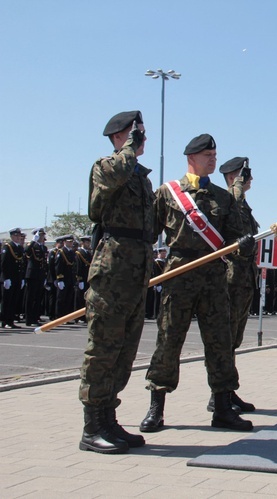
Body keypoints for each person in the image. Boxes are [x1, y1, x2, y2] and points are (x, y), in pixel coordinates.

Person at [140, 134, 255, 433]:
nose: (213, 159)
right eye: (207, 155)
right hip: (179, 273)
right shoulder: (168, 194)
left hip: (214, 275)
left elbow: (233, 236)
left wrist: (242, 244)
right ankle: (157, 407)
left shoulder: (223, 197)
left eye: (214, 154)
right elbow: (149, 234)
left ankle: (222, 407)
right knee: (169, 339)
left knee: (219, 341)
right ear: (191, 158)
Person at [78, 110, 156, 454]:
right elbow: (111, 183)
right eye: (133, 132)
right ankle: (92, 426)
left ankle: (109, 419)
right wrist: (128, 149)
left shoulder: (142, 178)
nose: (140, 137)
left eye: (141, 131)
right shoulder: (106, 166)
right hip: (111, 270)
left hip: (137, 271)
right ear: (117, 137)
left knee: (125, 350)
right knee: (103, 349)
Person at [205, 156, 259, 413]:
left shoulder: (243, 204)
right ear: (232, 177)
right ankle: (219, 395)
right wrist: (236, 187)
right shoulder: (228, 200)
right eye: (244, 174)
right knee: (224, 339)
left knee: (233, 340)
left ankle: (227, 391)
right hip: (230, 278)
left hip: (244, 278)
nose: (249, 178)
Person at [2, 228, 27, 329]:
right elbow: (4, 264)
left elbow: (21, 264)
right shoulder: (7, 247)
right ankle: (4, 321)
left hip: (17, 278)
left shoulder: (19, 248)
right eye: (16, 236)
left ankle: (11, 321)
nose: (18, 238)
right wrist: (5, 278)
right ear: (12, 236)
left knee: (14, 301)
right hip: (9, 278)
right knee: (7, 301)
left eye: (19, 236)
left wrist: (21, 278)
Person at [24, 228, 48, 326]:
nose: (42, 237)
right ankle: (29, 319)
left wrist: (45, 275)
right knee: (30, 298)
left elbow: (43, 262)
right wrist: (33, 241)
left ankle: (35, 317)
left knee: (37, 298)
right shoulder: (32, 245)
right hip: (32, 275)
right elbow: (26, 251)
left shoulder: (43, 247)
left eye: (43, 236)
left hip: (40, 275)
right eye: (40, 235)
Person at [54, 235, 77, 319]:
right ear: (64, 242)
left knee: (69, 298)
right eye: (69, 241)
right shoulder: (61, 252)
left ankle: (67, 317)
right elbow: (58, 266)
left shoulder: (72, 252)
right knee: (61, 299)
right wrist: (60, 279)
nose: (70, 243)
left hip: (70, 278)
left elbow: (74, 267)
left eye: (71, 242)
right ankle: (59, 316)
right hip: (63, 278)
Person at [75, 236, 93, 319]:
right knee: (80, 298)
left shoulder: (88, 253)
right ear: (82, 243)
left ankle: (85, 316)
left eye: (89, 242)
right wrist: (79, 279)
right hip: (82, 278)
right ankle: (78, 317)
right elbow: (78, 267)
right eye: (86, 242)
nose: (88, 244)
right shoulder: (79, 253)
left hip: (87, 278)